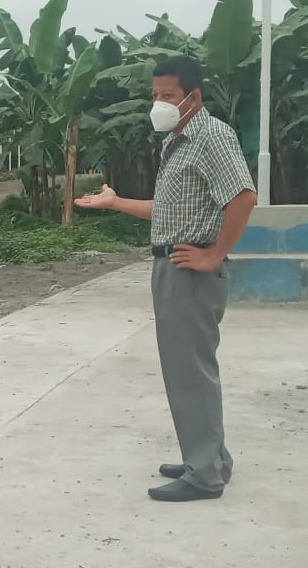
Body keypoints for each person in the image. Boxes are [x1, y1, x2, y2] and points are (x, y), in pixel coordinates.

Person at [75, 55, 257, 502]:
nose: (159, 103)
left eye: (168, 96)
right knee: (188, 371)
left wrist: (214, 255)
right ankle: (210, 458)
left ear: (193, 97)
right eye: (155, 95)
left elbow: (243, 197)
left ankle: (204, 475)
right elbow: (169, 209)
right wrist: (116, 202)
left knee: (189, 373)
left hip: (188, 270)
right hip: (172, 264)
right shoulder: (178, 140)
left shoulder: (211, 136)